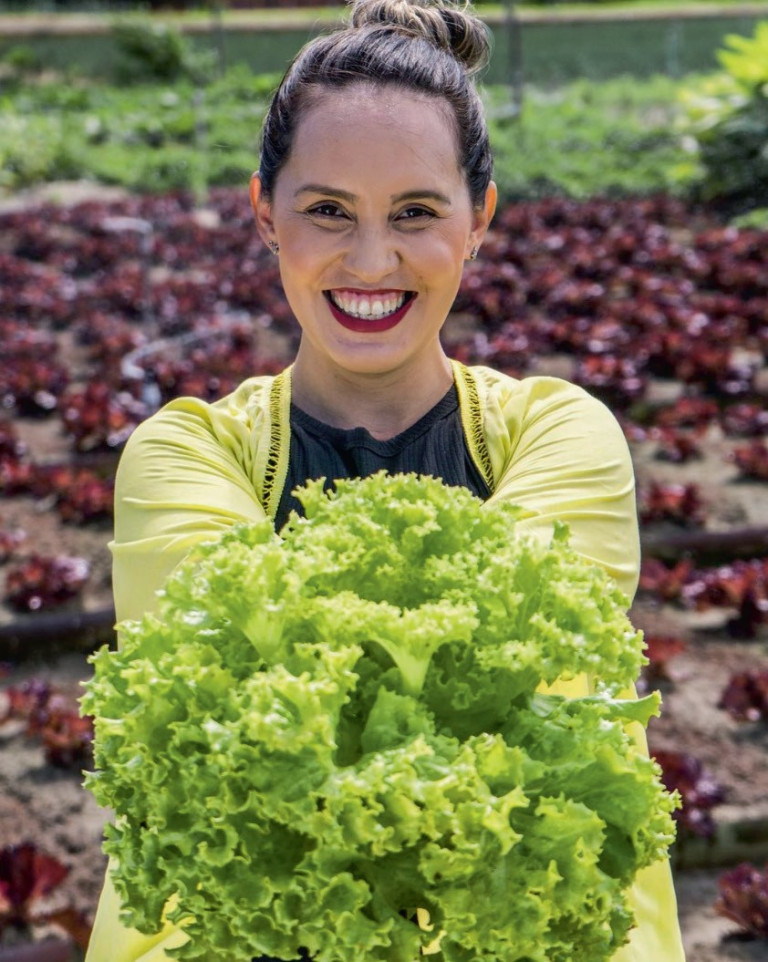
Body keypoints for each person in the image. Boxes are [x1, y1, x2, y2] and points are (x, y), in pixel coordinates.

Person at [84, 0, 687, 959]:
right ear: (264, 215)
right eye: (327, 210)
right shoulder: (185, 453)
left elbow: (544, 662)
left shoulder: (558, 433)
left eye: (415, 212)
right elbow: (217, 710)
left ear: (479, 218)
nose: (372, 260)